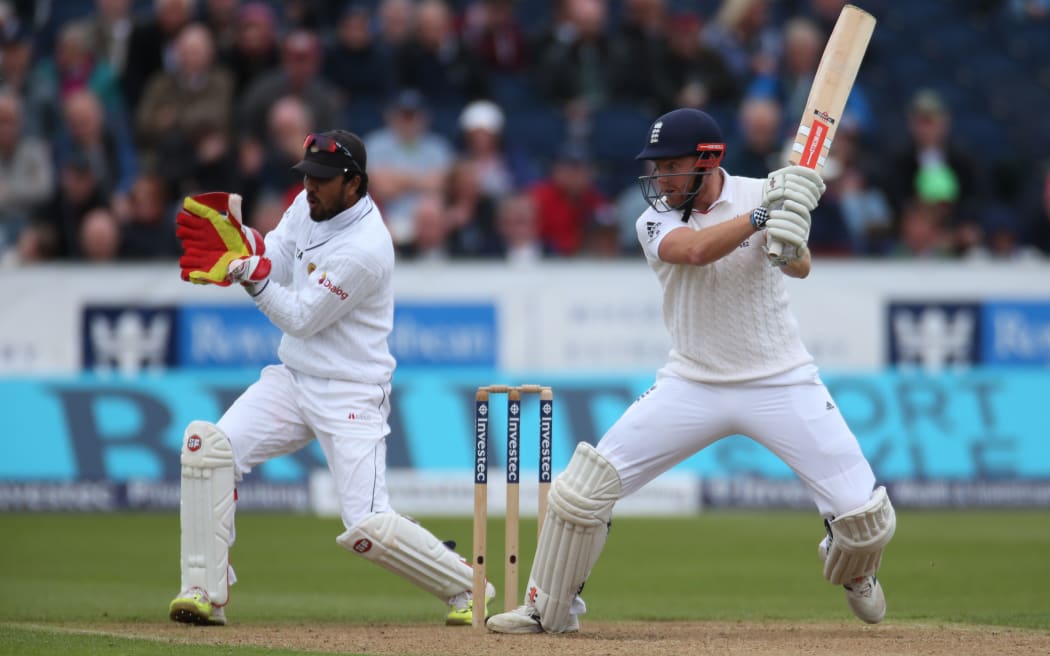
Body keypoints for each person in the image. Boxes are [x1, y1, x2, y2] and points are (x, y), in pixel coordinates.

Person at [486, 108, 895, 634]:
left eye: (670, 166)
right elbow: (696, 251)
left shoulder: (763, 191)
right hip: (692, 383)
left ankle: (852, 564)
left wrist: (788, 236)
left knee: (864, 519)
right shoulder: (655, 219)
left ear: (707, 160)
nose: (659, 179)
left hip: (782, 379)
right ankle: (547, 609)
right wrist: (762, 218)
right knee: (581, 492)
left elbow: (801, 266)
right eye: (656, 168)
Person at [168, 129, 493, 627]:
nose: (310, 187)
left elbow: (300, 317)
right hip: (293, 378)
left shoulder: (366, 248)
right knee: (207, 451)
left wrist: (249, 276)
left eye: (322, 179)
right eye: (307, 176)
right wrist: (246, 247)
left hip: (351, 392)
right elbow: (278, 258)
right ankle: (203, 591)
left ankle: (469, 585)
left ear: (354, 183)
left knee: (366, 524)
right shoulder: (308, 205)